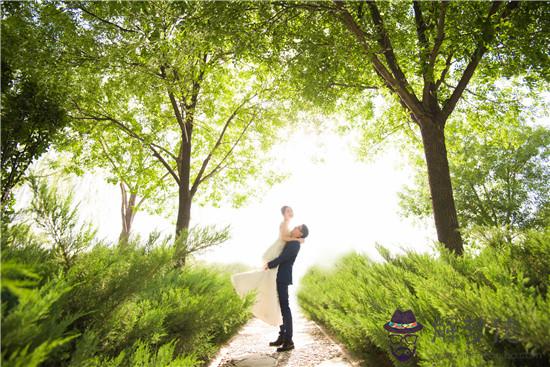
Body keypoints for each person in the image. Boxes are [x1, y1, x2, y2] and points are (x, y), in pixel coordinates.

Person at [231, 206, 305, 327]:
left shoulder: (292, 237)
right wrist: (297, 240)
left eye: (291, 211)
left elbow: (284, 256)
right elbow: (283, 238)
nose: (290, 213)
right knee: (268, 284)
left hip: (281, 269)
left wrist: (296, 240)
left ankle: (285, 336)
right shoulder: (285, 225)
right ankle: (241, 282)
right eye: (287, 211)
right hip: (276, 254)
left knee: (279, 301)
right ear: (284, 213)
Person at [264, 223, 309, 352]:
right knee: (280, 308)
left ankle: (289, 341)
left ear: (300, 233)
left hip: (283, 278)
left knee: (285, 308)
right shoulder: (293, 241)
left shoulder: (295, 244)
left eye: (297, 228)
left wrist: (270, 264)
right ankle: (282, 337)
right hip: (279, 277)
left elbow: (283, 258)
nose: (294, 228)